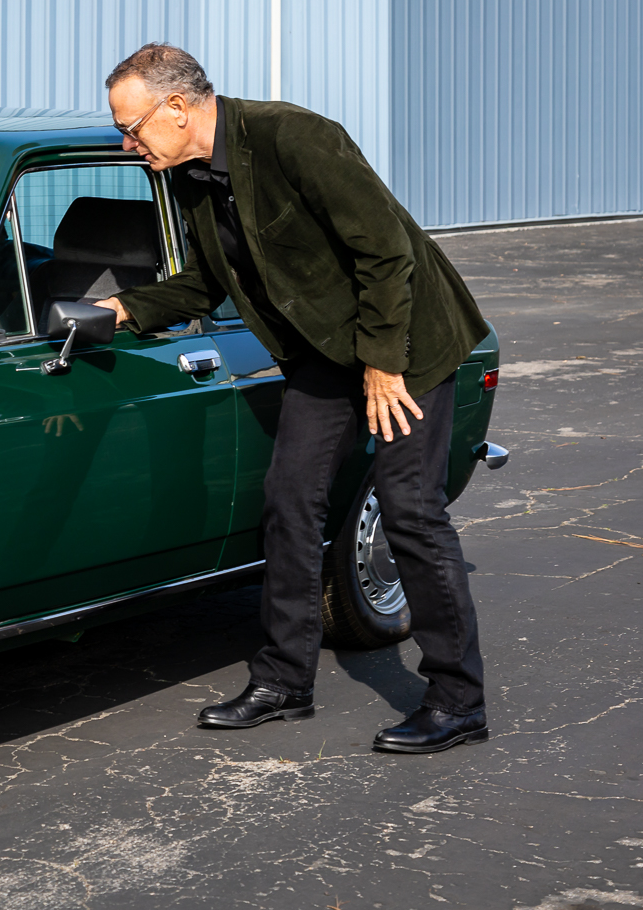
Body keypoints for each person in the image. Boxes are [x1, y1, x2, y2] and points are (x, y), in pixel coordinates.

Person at [97, 43, 491, 753]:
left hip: (405, 340)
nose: (128, 144)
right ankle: (284, 681)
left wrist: (382, 365)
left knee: (409, 508)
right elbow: (207, 284)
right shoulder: (188, 178)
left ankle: (458, 700)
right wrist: (123, 309)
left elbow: (386, 253)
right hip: (322, 351)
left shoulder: (295, 137)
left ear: (177, 108)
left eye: (131, 127)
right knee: (289, 500)